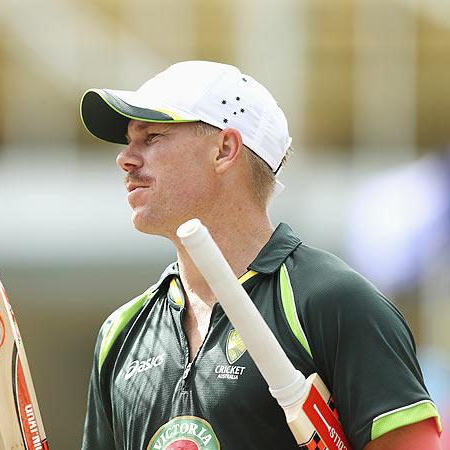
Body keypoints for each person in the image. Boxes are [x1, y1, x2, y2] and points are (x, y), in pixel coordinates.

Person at [78, 61, 442, 450]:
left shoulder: (333, 301)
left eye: (151, 137)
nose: (126, 159)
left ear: (224, 149)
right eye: (129, 142)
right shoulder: (120, 333)